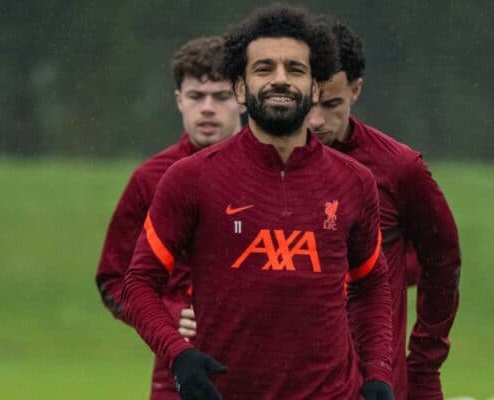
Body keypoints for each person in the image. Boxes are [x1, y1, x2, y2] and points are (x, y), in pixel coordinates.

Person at [122, 5, 394, 400]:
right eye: (264, 69)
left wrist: (378, 374)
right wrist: (178, 354)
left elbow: (371, 285)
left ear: (316, 88)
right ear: (240, 88)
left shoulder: (354, 182)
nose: (280, 79)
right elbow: (138, 282)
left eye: (295, 70)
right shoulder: (190, 178)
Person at [307, 21, 461, 400]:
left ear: (356, 90)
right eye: (307, 104)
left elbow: (443, 259)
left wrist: (425, 360)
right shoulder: (262, 168)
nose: (316, 121)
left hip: (374, 386)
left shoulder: (399, 169)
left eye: (331, 105)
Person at [95, 36, 244, 399]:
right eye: (196, 96)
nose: (208, 108)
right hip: (179, 370)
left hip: (268, 363)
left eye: (221, 96)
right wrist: (166, 314)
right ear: (179, 100)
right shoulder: (149, 180)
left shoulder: (275, 171)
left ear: (242, 98)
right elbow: (113, 280)